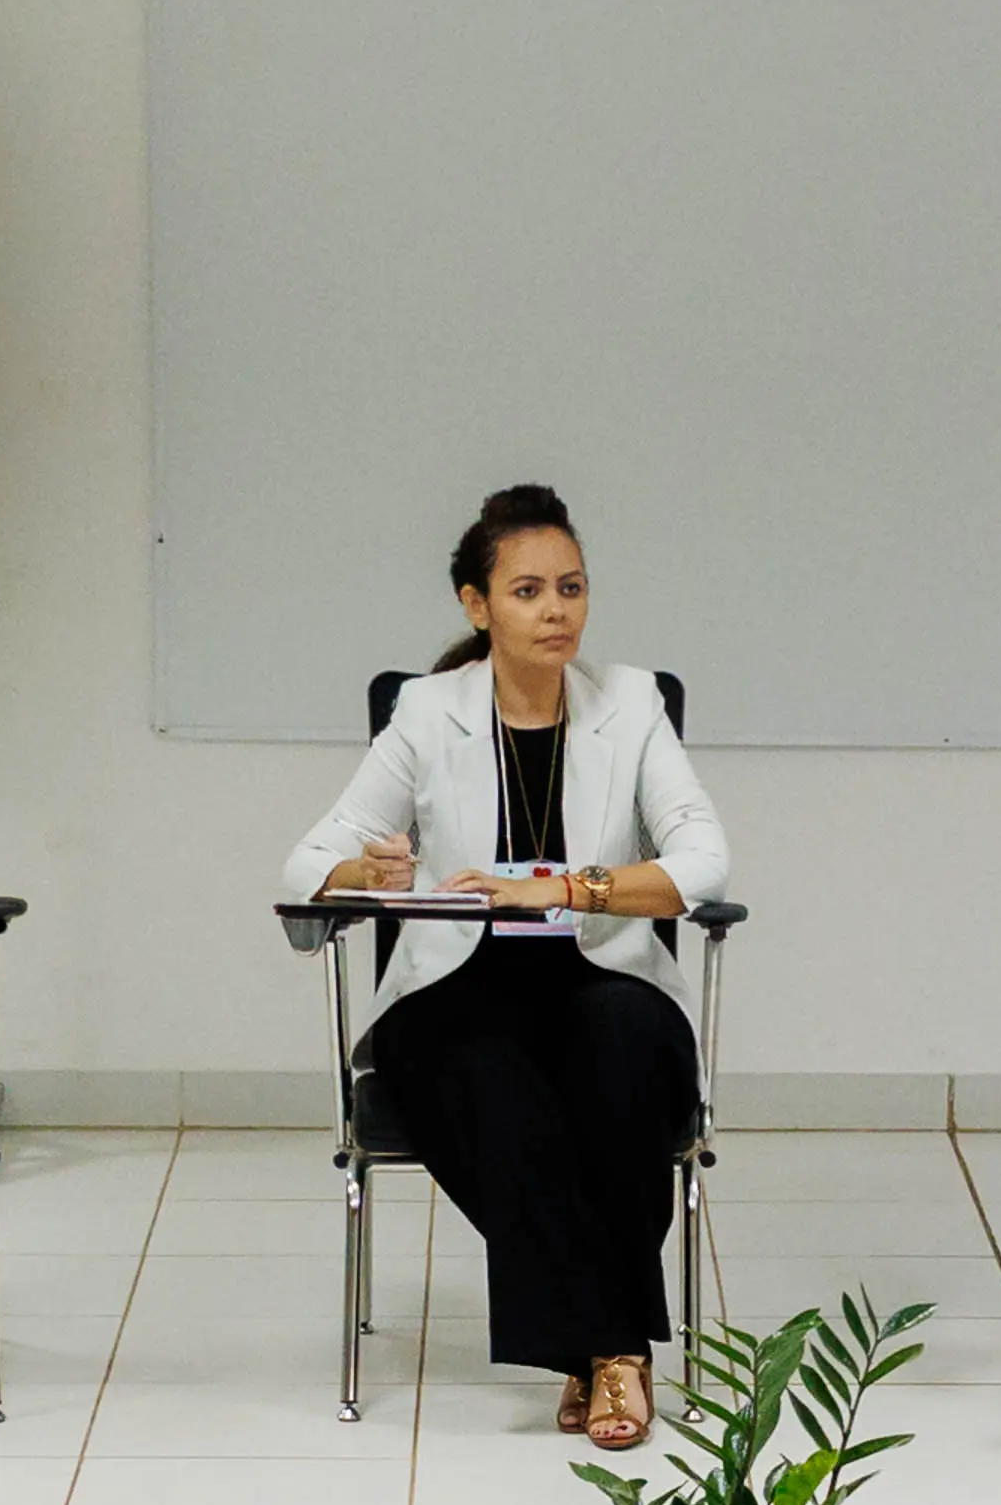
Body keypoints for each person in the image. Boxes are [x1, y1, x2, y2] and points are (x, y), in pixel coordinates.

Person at [287, 484, 734, 1451]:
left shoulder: (632, 703)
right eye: (528, 590)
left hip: (604, 969)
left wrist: (574, 889)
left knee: (621, 1051)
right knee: (487, 1071)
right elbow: (307, 861)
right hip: (456, 982)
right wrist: (371, 867)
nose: (557, 609)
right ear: (476, 604)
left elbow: (704, 862)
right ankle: (613, 1345)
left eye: (571, 587)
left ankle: (592, 1347)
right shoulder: (428, 711)